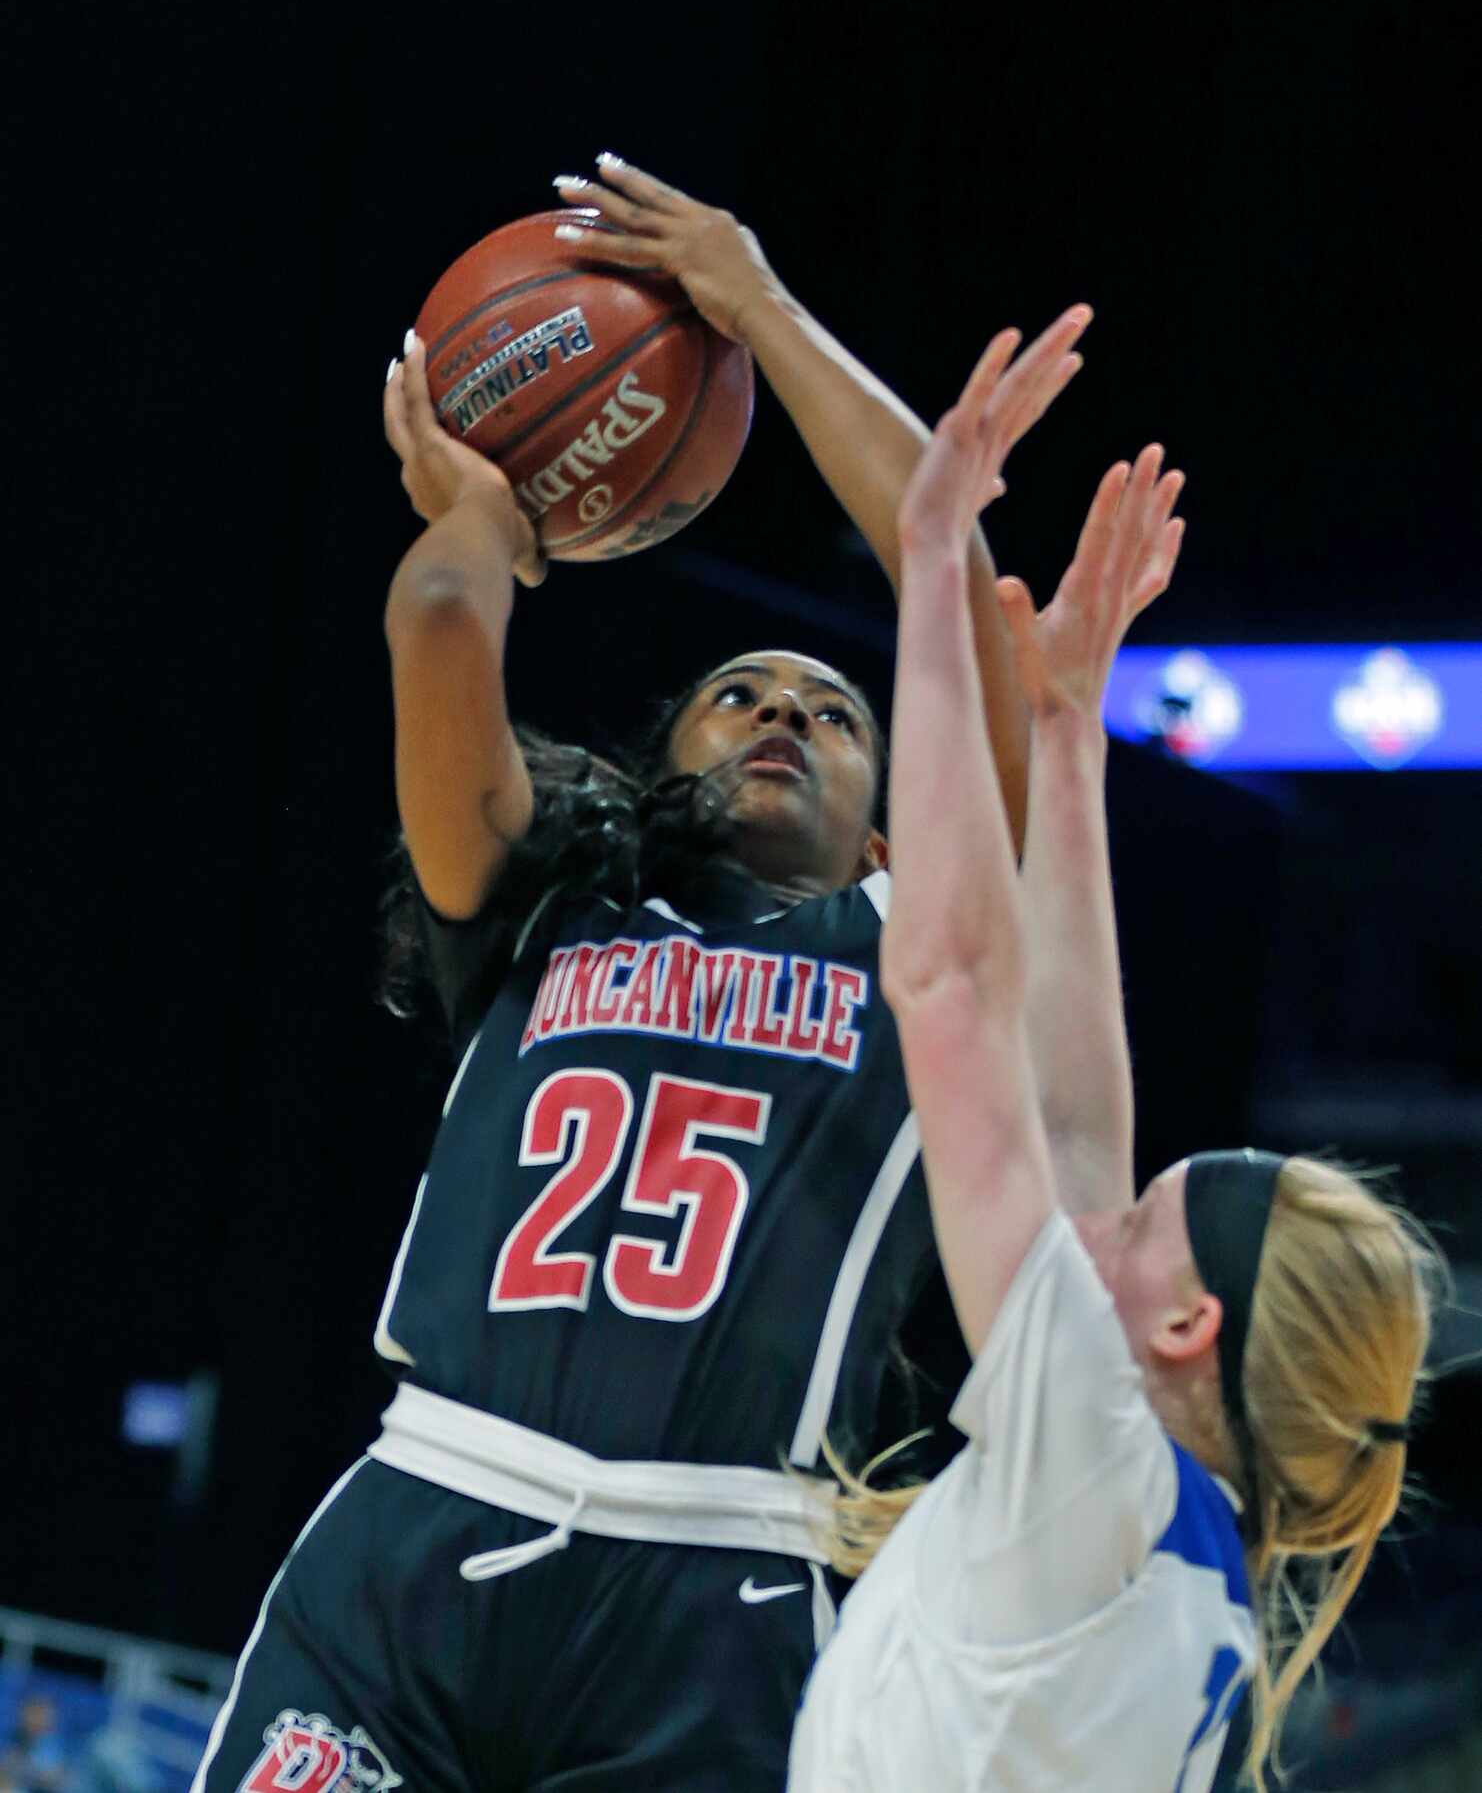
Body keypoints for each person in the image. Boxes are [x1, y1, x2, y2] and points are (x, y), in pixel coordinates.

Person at [191, 160, 1089, 1793]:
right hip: (418, 1537)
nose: (780, 715)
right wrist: (482, 511)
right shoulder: (539, 908)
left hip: (721, 1596)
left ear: (897, 830)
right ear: (662, 756)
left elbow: (960, 595)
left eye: (831, 713)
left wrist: (753, 304)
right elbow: (441, 622)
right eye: (738, 693)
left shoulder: (914, 952)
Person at [786, 340, 1441, 1791]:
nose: (1107, 1205)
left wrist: (933, 567)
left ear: (1184, 1326)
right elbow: (1076, 1122)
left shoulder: (1093, 1459)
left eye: (1144, 1220)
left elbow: (949, 984)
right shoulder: (1169, 1522)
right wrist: (1067, 731)